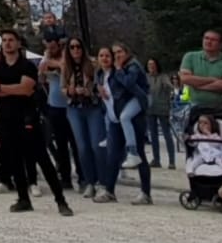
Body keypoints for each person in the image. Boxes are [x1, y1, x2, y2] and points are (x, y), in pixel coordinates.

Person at [0, 29, 75, 216]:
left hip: (26, 117)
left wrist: (2, 88)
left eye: (10, 40)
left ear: (18, 43)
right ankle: (23, 199)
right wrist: (5, 89)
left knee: (42, 158)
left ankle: (60, 200)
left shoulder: (27, 65)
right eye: (4, 40)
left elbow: (25, 89)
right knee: (14, 159)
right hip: (6, 118)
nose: (7, 43)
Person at [103, 42, 153, 205]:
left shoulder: (131, 66)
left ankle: (145, 193)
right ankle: (109, 190)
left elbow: (129, 84)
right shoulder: (113, 69)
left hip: (133, 113)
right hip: (118, 114)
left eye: (120, 52)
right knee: (113, 154)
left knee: (139, 154)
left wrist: (118, 70)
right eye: (114, 52)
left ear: (127, 52)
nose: (117, 55)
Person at [61, 40, 104, 199]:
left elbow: (101, 84)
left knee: (96, 146)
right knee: (82, 147)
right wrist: (69, 90)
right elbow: (62, 88)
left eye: (78, 46)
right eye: (72, 47)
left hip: (92, 107)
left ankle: (102, 181)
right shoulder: (66, 66)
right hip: (74, 108)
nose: (75, 50)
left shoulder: (93, 64)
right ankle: (89, 181)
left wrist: (89, 92)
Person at [178, 29, 222, 126]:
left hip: (220, 109)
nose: (208, 42)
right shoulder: (190, 57)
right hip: (195, 108)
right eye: (206, 38)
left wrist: (198, 85)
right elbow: (185, 79)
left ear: (221, 44)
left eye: (213, 40)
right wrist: (214, 80)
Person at [40, 39, 78, 189]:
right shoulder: (48, 61)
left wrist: (52, 63)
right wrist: (46, 60)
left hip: (69, 105)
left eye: (53, 47)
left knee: (75, 143)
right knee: (61, 145)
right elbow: (41, 74)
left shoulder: (67, 60)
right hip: (54, 106)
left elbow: (64, 66)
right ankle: (66, 178)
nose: (51, 49)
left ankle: (82, 176)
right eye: (49, 47)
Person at [144, 58, 176, 169]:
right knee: (153, 136)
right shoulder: (146, 77)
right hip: (150, 109)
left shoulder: (163, 77)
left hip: (162, 109)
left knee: (167, 135)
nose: (151, 66)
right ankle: (156, 160)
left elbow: (170, 87)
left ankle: (172, 161)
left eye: (153, 64)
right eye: (149, 64)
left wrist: (170, 89)